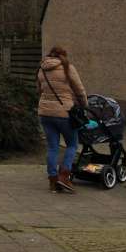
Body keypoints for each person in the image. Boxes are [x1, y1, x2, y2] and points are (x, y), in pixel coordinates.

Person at [37, 46, 88, 193]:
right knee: (72, 144)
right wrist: (84, 105)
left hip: (45, 113)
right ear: (63, 55)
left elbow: (39, 90)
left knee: (53, 147)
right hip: (64, 113)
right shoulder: (67, 67)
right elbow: (79, 89)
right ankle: (64, 176)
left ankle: (53, 182)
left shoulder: (41, 69)